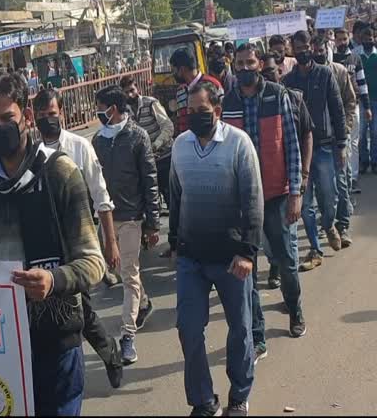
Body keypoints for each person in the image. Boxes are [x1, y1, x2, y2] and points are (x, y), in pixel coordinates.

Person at [0, 72, 105, 416]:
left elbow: (93, 262)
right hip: (5, 342)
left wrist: (53, 280)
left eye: (7, 118)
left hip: (56, 335)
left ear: (27, 117)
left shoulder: (61, 173)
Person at [170, 81, 263, 417]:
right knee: (188, 328)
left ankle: (239, 395)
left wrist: (247, 252)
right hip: (192, 257)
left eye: (202, 111)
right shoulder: (180, 145)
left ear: (218, 111)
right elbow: (176, 196)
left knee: (240, 327)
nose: (195, 117)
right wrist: (174, 243)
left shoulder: (239, 144)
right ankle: (203, 400)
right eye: (190, 112)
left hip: (231, 259)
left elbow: (253, 199)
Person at [33, 88, 124, 389]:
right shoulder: (31, 154)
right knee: (69, 307)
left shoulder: (80, 147)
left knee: (77, 306)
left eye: (53, 114)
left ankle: (106, 352)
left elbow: (101, 197)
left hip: (79, 244)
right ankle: (107, 351)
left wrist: (110, 242)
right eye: (43, 115)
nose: (49, 120)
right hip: (47, 244)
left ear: (61, 113)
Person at [225, 44, 306, 366]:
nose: (246, 67)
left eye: (251, 62)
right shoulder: (228, 101)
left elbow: (292, 145)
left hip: (276, 195)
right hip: (242, 202)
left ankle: (295, 309)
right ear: (234, 65)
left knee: (286, 259)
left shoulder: (276, 94)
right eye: (240, 63)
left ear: (260, 64)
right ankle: (257, 335)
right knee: (247, 271)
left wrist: (296, 192)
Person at [92, 85, 159, 366]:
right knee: (119, 270)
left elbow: (150, 179)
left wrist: (153, 222)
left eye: (101, 108)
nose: (98, 114)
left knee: (128, 274)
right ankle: (142, 303)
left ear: (114, 109)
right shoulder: (97, 141)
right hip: (105, 219)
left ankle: (128, 336)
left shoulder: (137, 136)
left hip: (131, 217)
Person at [284, 30, 348, 272]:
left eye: (305, 47)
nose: (302, 51)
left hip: (324, 146)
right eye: (297, 48)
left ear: (311, 47)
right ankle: (315, 248)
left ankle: (330, 224)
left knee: (329, 196)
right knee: (305, 202)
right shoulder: (288, 82)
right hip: (299, 150)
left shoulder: (324, 74)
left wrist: (341, 144)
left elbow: (337, 108)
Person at [261, 53, 314, 290]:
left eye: (270, 72)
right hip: (264, 189)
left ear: (279, 72)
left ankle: (291, 294)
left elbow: (306, 135)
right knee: (269, 243)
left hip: (288, 186)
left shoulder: (293, 99)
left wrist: (302, 175)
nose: (267, 77)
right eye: (263, 74)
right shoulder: (253, 106)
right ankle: (275, 266)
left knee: (289, 241)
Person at [312, 35, 358, 248]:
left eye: (320, 49)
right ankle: (327, 222)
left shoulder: (339, 71)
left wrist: (346, 131)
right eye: (314, 50)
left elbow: (349, 101)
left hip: (339, 137)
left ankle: (343, 225)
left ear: (326, 49)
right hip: (319, 140)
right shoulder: (308, 76)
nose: (317, 53)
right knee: (323, 187)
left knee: (341, 181)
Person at [121, 74, 174, 211]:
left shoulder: (150, 103)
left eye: (132, 90)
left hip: (164, 157)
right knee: (150, 199)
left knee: (171, 197)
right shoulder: (124, 113)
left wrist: (156, 144)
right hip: (145, 162)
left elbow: (168, 126)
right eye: (126, 92)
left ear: (137, 88)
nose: (130, 95)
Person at [333, 28, 371, 194]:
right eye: (338, 39)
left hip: (352, 107)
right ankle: (340, 179)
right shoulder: (331, 59)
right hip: (334, 108)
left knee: (354, 143)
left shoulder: (355, 58)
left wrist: (367, 107)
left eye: (344, 39)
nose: (341, 42)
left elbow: (362, 84)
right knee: (339, 144)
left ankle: (353, 178)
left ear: (348, 39)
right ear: (334, 40)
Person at [170, 48, 224, 136]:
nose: (173, 74)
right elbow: (182, 121)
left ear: (182, 69)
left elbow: (223, 116)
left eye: (174, 70)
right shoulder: (181, 91)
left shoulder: (213, 85)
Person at [359, 26, 377, 174]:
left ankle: (375, 161)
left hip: (376, 100)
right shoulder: (356, 55)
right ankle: (364, 161)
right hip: (361, 101)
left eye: (370, 39)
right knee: (362, 133)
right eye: (365, 39)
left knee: (375, 132)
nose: (368, 41)